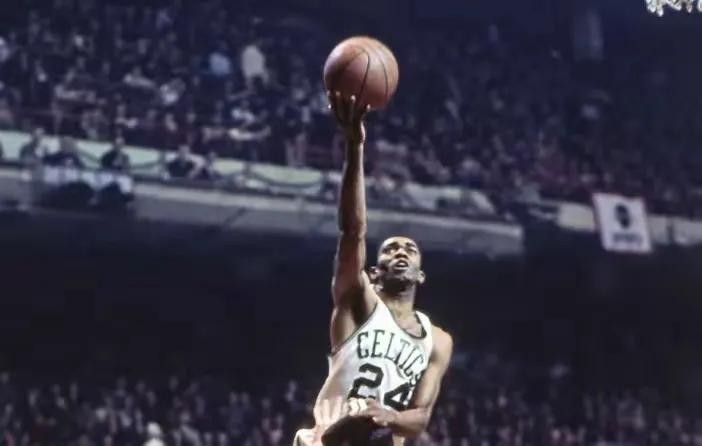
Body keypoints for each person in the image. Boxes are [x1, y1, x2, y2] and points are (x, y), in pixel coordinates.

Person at [293, 92, 453, 446]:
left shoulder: (438, 340)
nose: (401, 252)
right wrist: (355, 147)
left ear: (420, 275)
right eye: (390, 249)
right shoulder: (358, 303)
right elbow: (352, 231)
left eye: (410, 249)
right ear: (374, 272)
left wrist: (390, 416)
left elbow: (420, 417)